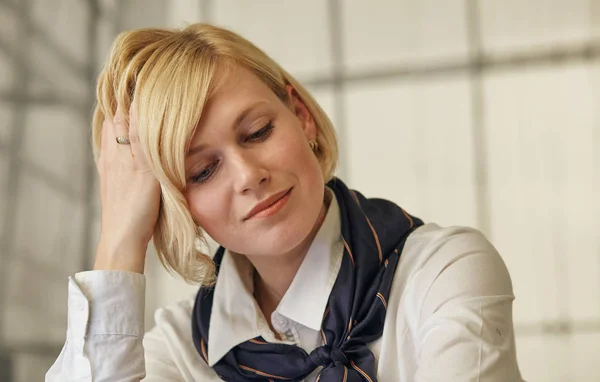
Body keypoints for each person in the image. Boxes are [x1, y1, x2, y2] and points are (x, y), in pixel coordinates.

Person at [46, 23, 524, 382]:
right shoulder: (183, 350)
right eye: (203, 171)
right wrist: (119, 239)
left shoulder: (443, 272)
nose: (249, 175)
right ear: (178, 203)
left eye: (258, 132)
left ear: (301, 116)